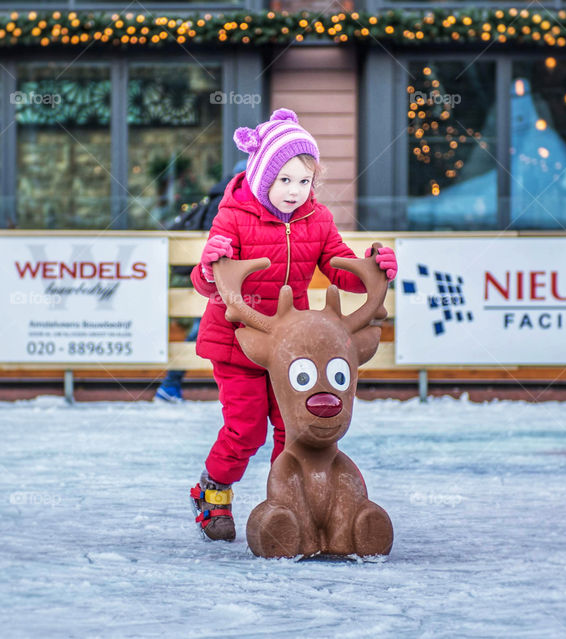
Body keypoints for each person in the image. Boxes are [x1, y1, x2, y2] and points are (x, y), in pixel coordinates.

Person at [188, 108, 398, 541]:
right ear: (263, 177)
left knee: (292, 428)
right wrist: (211, 266)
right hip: (237, 342)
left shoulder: (316, 219)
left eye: (304, 182)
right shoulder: (232, 218)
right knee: (246, 429)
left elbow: (338, 266)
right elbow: (206, 282)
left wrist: (371, 268)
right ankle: (212, 491)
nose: (294, 192)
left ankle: (286, 503)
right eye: (284, 180)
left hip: (292, 347)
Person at [155, 159, 248, 403]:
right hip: (215, 278)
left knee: (206, 328)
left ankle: (171, 385)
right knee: (203, 328)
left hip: (212, 276)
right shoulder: (227, 201)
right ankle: (170, 384)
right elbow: (217, 239)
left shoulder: (219, 196)